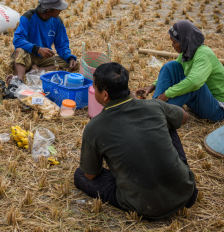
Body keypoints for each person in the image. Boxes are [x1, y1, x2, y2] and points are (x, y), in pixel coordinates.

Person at [74, 62, 198, 220]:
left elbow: (91, 176)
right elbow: (184, 117)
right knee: (170, 121)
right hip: (186, 192)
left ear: (104, 95)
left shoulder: (95, 128)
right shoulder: (155, 106)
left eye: (94, 86)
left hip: (146, 207)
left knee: (80, 175)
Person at [136, 20, 224, 122]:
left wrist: (167, 94)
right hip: (201, 102)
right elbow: (170, 72)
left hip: (217, 109)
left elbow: (194, 82)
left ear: (185, 40)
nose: (172, 45)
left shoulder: (204, 53)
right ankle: (155, 106)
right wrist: (150, 87)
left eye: (175, 42)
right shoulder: (187, 53)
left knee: (192, 85)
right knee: (171, 66)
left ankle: (157, 113)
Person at [8, 0, 78, 83]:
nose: (60, 10)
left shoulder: (57, 21)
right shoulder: (28, 17)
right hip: (28, 56)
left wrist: (70, 58)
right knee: (19, 52)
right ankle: (18, 82)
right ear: (49, 11)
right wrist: (38, 49)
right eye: (58, 9)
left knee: (71, 63)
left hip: (44, 58)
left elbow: (62, 45)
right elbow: (18, 40)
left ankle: (38, 69)